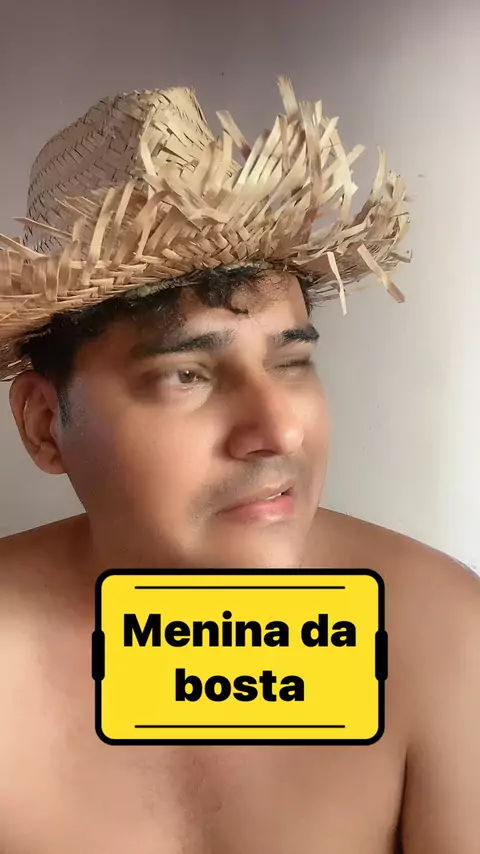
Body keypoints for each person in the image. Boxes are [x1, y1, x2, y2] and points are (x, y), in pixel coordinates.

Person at [0, 79, 478, 854]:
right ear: (44, 424)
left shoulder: (446, 639)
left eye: (291, 363)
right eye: (185, 375)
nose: (279, 429)